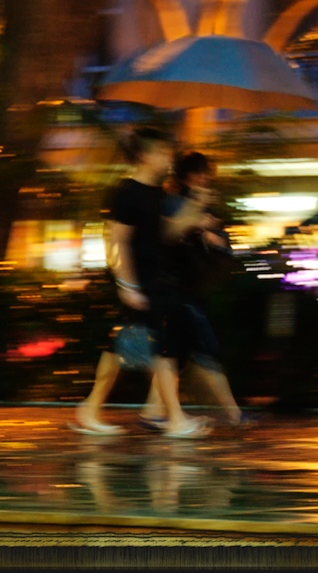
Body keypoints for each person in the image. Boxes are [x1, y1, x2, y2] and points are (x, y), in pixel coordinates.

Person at [71, 127, 211, 439]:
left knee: (118, 349)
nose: (168, 156)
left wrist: (197, 203)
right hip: (138, 284)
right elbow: (115, 241)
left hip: (155, 282)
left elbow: (169, 234)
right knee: (159, 348)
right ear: (145, 156)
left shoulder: (158, 194)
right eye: (162, 151)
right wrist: (127, 285)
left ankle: (91, 409)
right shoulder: (127, 192)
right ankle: (173, 418)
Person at [138, 151, 250, 429]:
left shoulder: (199, 204)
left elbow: (220, 243)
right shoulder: (176, 202)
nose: (204, 178)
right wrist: (198, 222)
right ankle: (234, 414)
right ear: (187, 176)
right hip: (179, 291)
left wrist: (213, 236)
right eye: (198, 173)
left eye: (206, 173)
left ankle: (152, 411)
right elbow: (171, 235)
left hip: (190, 290)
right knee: (203, 351)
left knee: (175, 356)